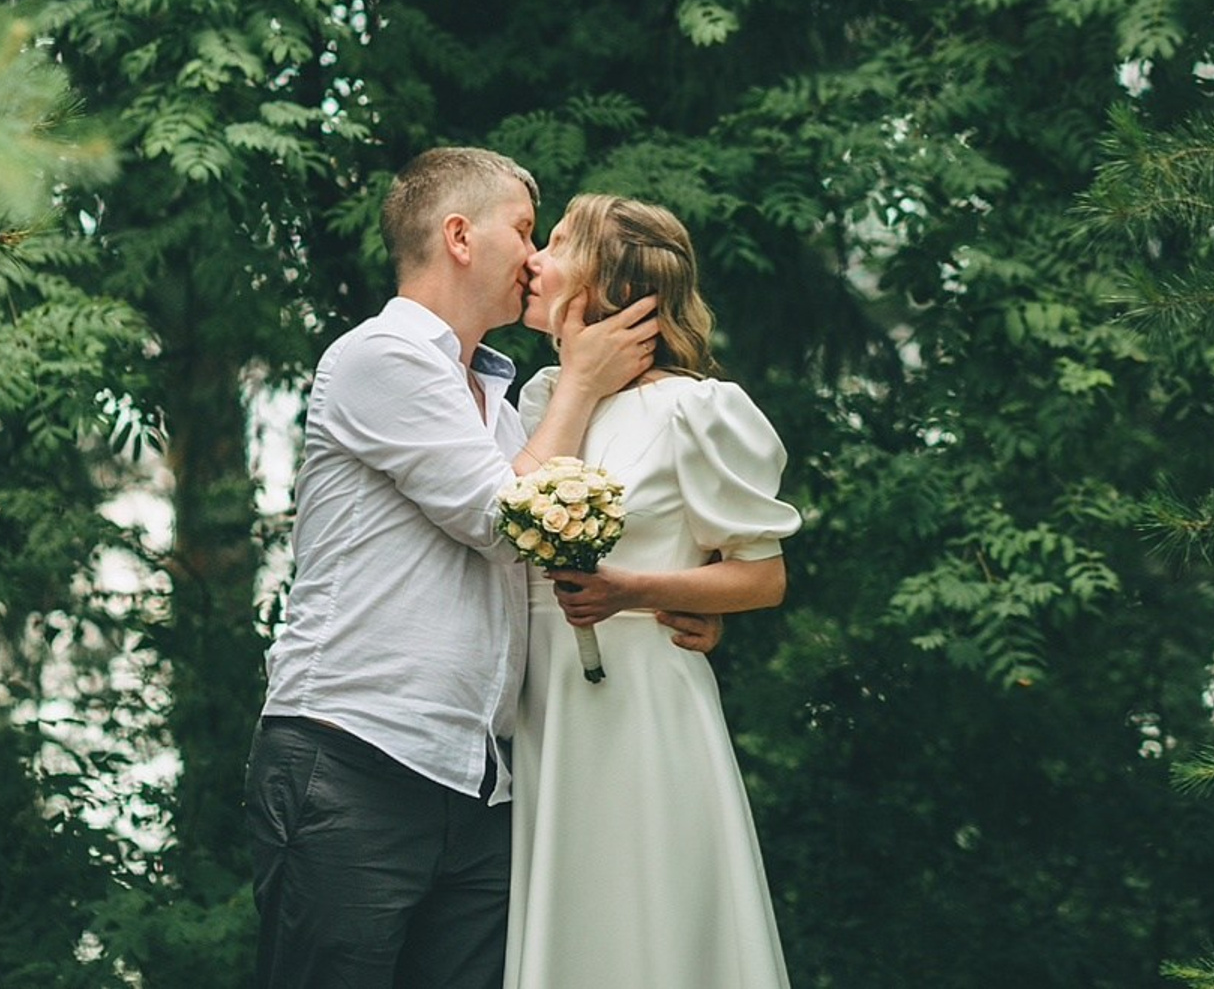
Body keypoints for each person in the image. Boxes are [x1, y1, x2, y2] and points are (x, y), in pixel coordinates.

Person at [245, 144, 702, 989]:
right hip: (355, 759)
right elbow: (504, 520)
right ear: (459, 236)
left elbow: (545, 563)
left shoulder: (502, 400)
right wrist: (580, 385)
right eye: (524, 230)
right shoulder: (381, 356)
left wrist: (668, 599)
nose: (535, 257)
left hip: (482, 783)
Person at [506, 192, 801, 989]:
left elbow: (763, 575)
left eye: (557, 243)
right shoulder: (539, 404)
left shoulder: (692, 411)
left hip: (641, 698)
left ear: (610, 283)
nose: (534, 260)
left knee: (649, 912)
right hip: (543, 705)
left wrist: (631, 591)